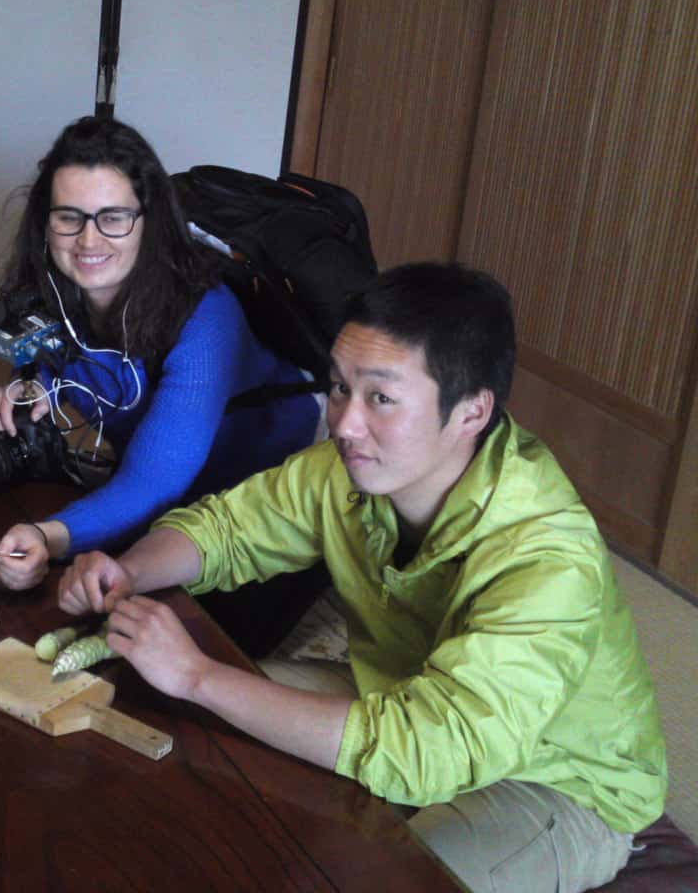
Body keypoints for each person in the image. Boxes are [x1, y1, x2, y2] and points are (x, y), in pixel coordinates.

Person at [57, 262, 667, 893]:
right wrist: (126, 569)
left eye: (380, 397)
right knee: (167, 709)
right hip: (398, 692)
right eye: (340, 387)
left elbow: (433, 749)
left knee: (370, 875)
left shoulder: (548, 554)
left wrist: (198, 675)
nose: (345, 424)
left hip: (554, 778)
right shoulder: (350, 468)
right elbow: (228, 530)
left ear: (470, 412)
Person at [0, 116, 321, 588]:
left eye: (114, 217)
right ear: (45, 222)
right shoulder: (52, 296)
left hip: (260, 500)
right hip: (166, 495)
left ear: (150, 220)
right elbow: (66, 367)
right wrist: (33, 388)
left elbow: (154, 482)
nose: (88, 240)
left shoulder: (206, 315)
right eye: (68, 217)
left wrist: (48, 535)